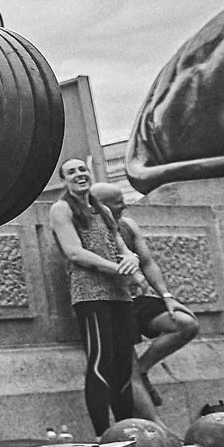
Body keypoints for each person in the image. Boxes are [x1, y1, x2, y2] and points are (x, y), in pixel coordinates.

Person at [49, 159, 146, 433]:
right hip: (90, 294)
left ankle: (126, 431)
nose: (79, 175)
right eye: (72, 172)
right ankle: (103, 434)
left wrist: (131, 261)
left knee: (123, 364)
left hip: (119, 294)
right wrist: (117, 268)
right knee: (100, 361)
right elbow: (74, 252)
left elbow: (121, 246)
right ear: (64, 181)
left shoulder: (102, 209)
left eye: (82, 170)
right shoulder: (62, 208)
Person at [98, 184, 201, 411]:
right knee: (126, 368)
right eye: (118, 201)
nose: (124, 205)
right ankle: (155, 429)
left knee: (186, 324)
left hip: (136, 300)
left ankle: (143, 369)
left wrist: (167, 296)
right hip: (110, 303)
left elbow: (148, 262)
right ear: (101, 206)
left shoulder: (128, 225)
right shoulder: (88, 231)